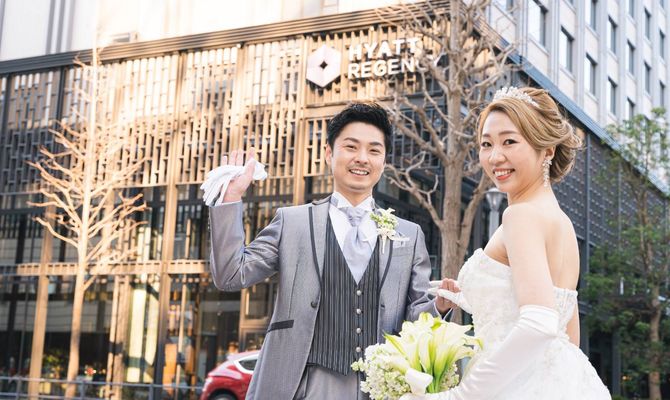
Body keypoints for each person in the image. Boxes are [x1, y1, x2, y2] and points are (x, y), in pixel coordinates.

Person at [208, 101, 453, 399]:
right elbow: (231, 275)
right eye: (351, 147)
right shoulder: (292, 222)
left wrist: (439, 306)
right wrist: (231, 198)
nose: (362, 158)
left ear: (384, 161)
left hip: (379, 388)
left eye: (374, 150)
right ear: (328, 153)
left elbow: (416, 319)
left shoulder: (409, 235)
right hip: (303, 385)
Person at [404, 87, 611, 399]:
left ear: (548, 150)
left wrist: (459, 396)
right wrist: (468, 297)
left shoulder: (520, 216)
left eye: (509, 142)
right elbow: (568, 334)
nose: (495, 156)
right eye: (486, 144)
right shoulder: (562, 223)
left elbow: (539, 323)